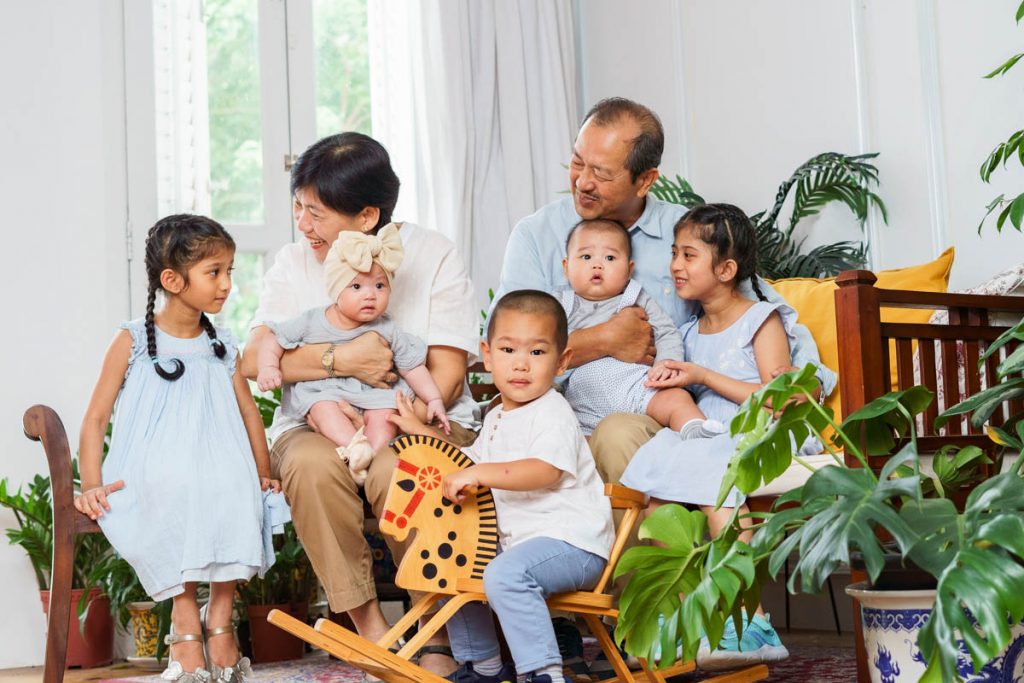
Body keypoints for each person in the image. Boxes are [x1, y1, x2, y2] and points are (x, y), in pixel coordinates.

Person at [240, 132, 478, 676]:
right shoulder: (293, 262)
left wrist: (393, 407)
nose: (303, 225)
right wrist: (342, 363)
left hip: (412, 416)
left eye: (316, 213)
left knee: (401, 467)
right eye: (298, 207)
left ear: (368, 215)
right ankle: (370, 630)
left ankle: (432, 628)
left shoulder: (432, 252)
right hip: (314, 420)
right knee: (307, 463)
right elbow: (256, 361)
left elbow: (446, 371)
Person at [76, 215, 280, 683]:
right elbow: (95, 417)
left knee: (233, 487)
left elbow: (249, 414)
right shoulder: (131, 339)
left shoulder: (222, 344)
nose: (227, 284)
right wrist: (90, 484)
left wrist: (263, 471)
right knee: (171, 488)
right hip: (151, 462)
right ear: (172, 280)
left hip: (219, 458)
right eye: (215, 272)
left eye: (230, 270)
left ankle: (221, 612)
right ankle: (185, 612)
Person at [389, 290, 614, 683]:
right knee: (456, 556)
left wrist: (478, 475)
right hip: (523, 549)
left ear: (562, 361)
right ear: (488, 355)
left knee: (504, 574)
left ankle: (543, 672)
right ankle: (484, 665)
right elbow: (470, 463)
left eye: (538, 353)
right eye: (508, 350)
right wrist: (421, 431)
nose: (521, 364)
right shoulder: (495, 417)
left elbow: (543, 470)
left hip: (573, 545)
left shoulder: (552, 412)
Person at [620, 203, 793, 669]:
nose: (675, 265)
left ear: (726, 269)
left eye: (689, 255)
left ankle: (752, 620)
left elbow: (776, 399)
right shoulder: (687, 332)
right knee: (655, 496)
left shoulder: (762, 319)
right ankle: (683, 623)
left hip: (756, 432)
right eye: (674, 253)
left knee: (718, 481)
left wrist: (701, 374)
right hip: (706, 435)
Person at [256, 224, 451, 485]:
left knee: (386, 415)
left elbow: (412, 367)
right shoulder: (312, 321)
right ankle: (354, 447)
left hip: (374, 394)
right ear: (337, 291)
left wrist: (434, 398)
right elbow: (273, 338)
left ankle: (370, 454)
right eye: (357, 286)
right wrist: (269, 367)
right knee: (323, 409)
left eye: (380, 286)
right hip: (327, 393)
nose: (370, 295)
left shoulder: (387, 329)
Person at [557, 218, 724, 438]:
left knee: (676, 398)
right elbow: (544, 349)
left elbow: (666, 331)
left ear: (628, 270)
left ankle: (695, 430)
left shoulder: (635, 297)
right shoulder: (558, 305)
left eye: (610, 258)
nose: (597, 265)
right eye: (586, 257)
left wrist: (665, 364)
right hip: (581, 399)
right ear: (567, 267)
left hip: (637, 386)